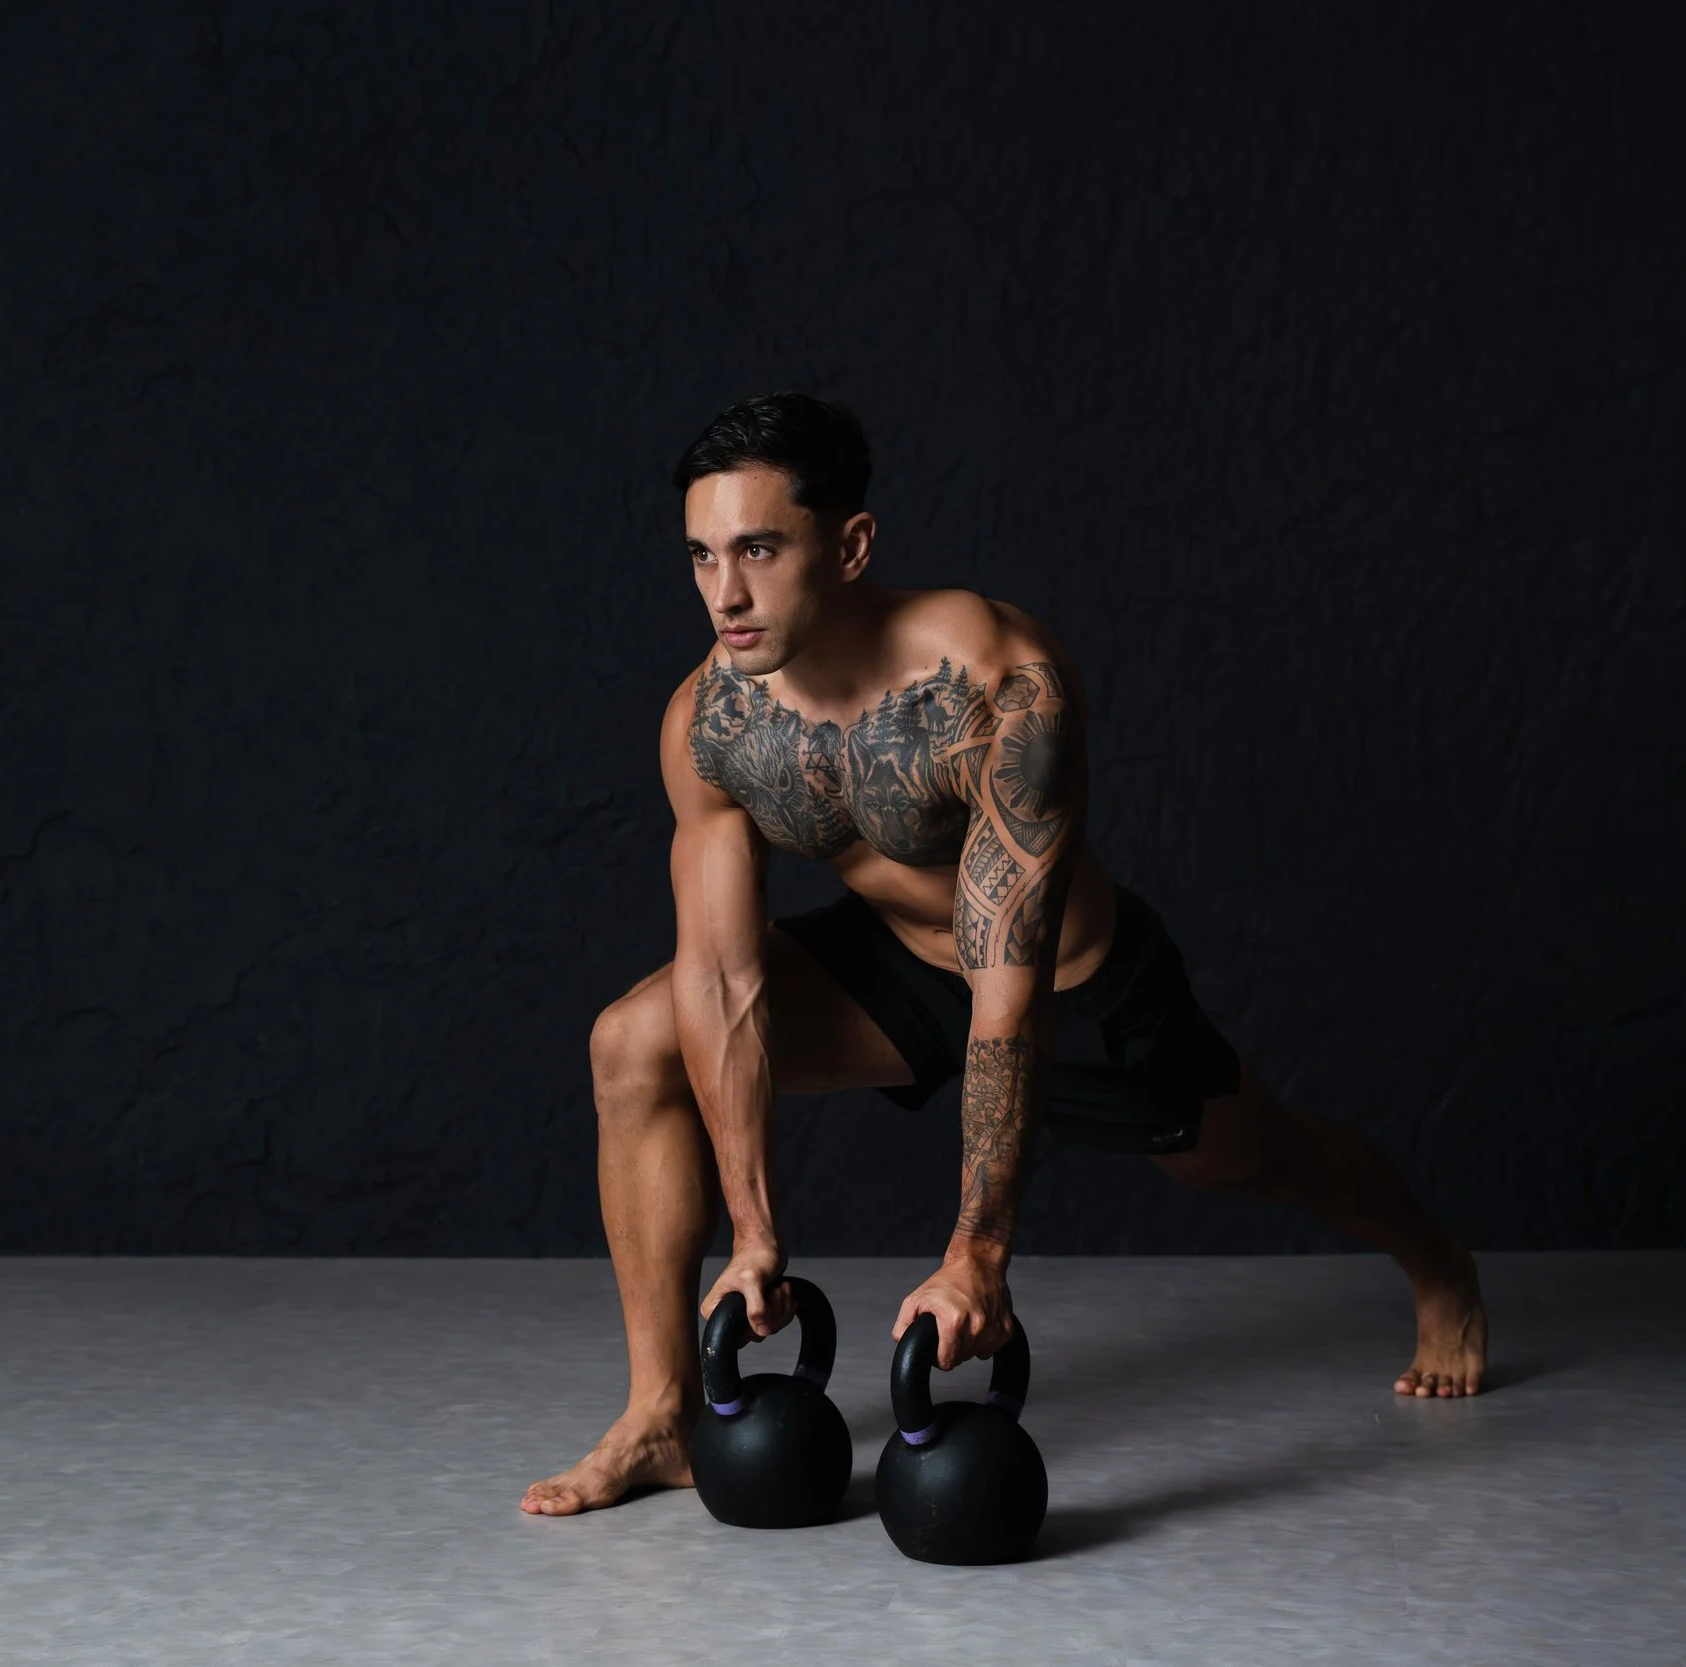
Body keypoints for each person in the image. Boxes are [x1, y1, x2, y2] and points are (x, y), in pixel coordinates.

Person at [520, 393, 1488, 1517]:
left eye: (758, 549)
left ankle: (1434, 1258)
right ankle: (661, 1412)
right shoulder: (713, 721)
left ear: (851, 543)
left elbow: (1006, 982)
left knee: (1255, 1153)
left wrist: (977, 1249)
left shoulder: (996, 682)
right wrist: (755, 1233)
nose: (724, 595)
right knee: (632, 1041)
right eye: (700, 556)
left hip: (1064, 990)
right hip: (887, 971)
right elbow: (722, 979)